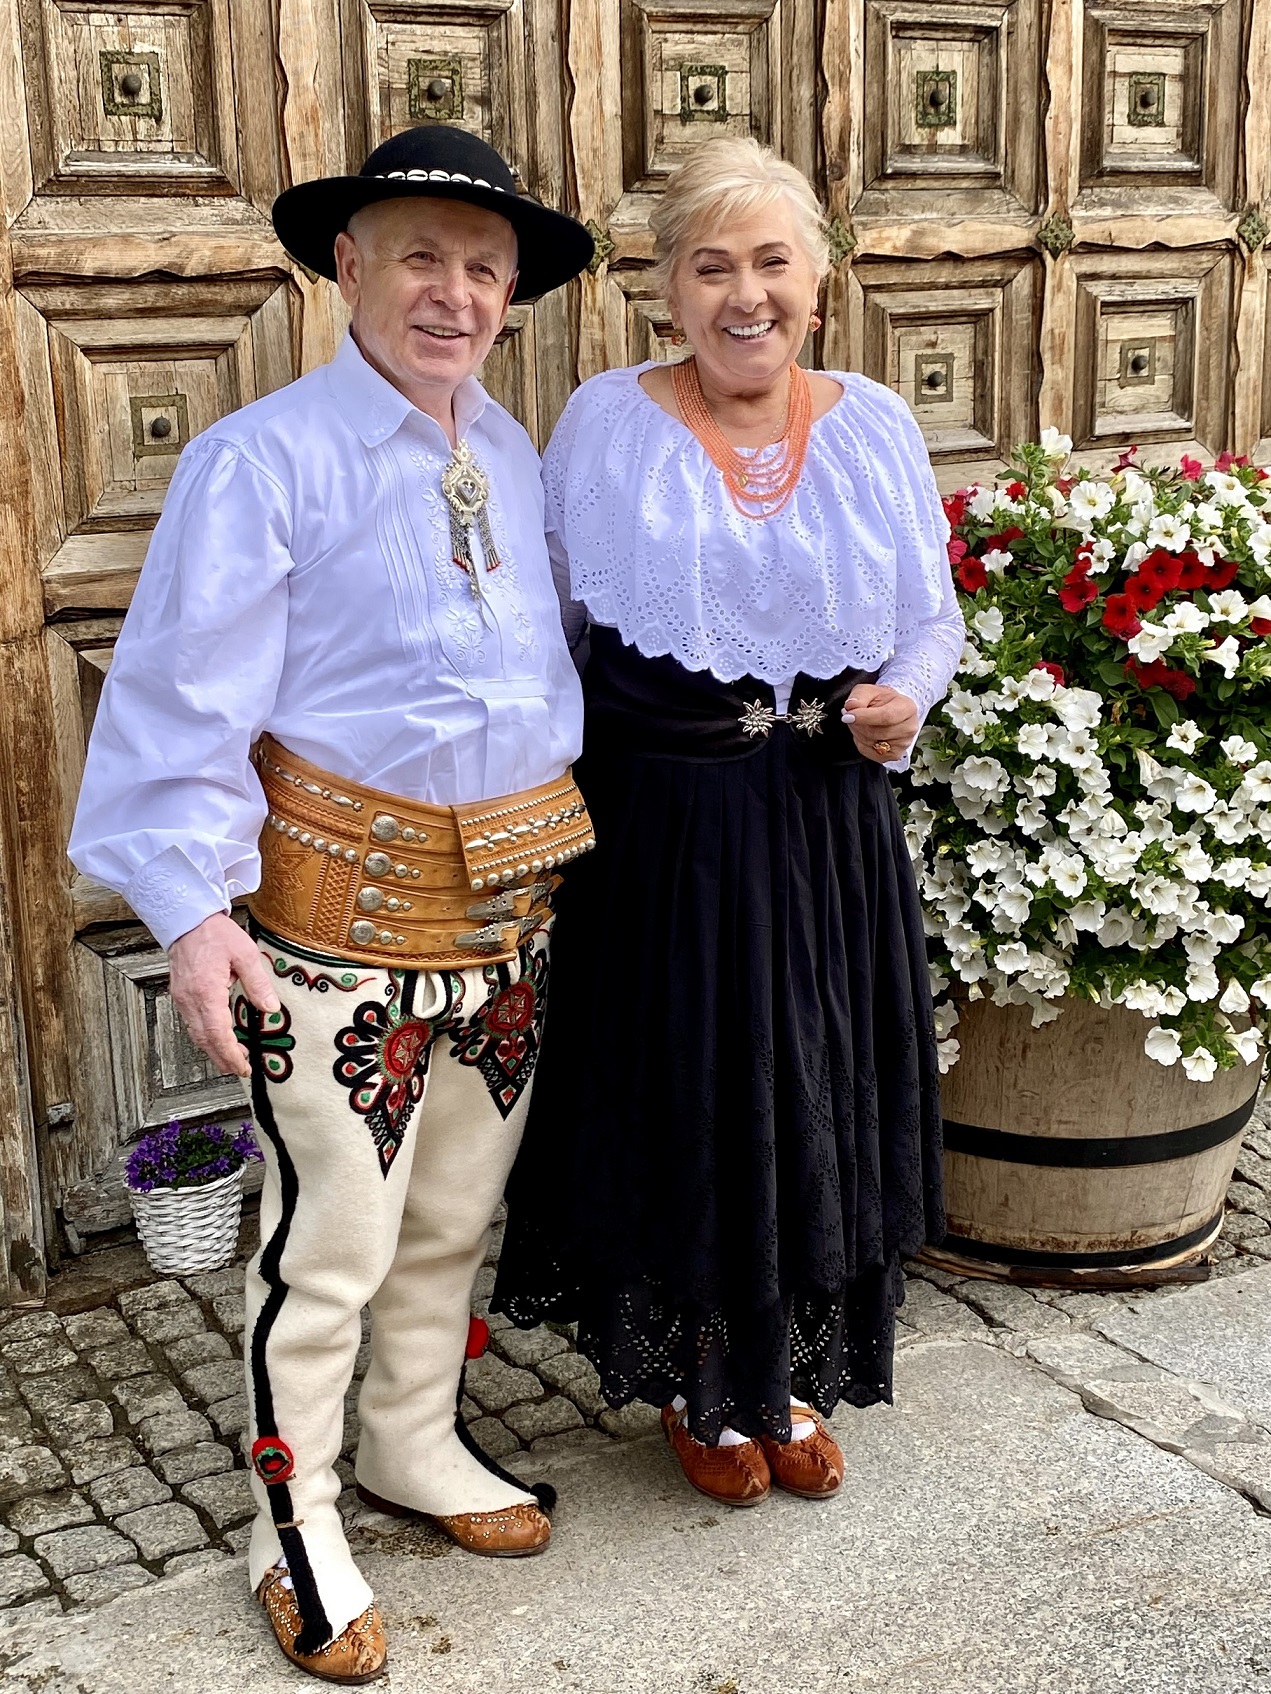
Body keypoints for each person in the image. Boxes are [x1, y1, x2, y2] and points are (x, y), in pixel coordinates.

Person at [70, 125, 594, 1682]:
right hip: (332, 926)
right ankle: (289, 1523)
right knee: (329, 1248)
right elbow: (179, 699)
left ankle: (413, 1441)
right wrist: (192, 914)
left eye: (483, 268)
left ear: (511, 295)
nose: (453, 294)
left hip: (508, 916)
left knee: (452, 1221)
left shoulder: (512, 452)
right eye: (420, 256)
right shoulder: (263, 460)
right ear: (348, 266)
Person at [493, 137, 963, 1508]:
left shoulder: (873, 424)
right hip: (669, 832)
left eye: (771, 262)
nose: (745, 294)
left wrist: (905, 699)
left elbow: (930, 615)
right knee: (693, 1093)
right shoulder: (605, 424)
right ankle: (702, 1384)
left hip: (828, 825)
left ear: (819, 277)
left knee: (812, 1087)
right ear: (667, 290)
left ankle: (788, 1379)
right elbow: (549, 625)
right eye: (711, 267)